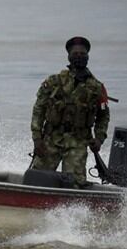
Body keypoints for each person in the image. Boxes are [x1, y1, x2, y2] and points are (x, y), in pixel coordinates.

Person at [30, 36, 110, 188]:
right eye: (75, 54)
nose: (79, 57)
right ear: (69, 57)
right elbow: (38, 110)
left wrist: (99, 139)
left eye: (82, 54)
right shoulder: (54, 82)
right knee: (38, 180)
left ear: (88, 57)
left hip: (78, 142)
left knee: (74, 185)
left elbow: (103, 116)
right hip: (50, 140)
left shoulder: (97, 88)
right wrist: (37, 139)